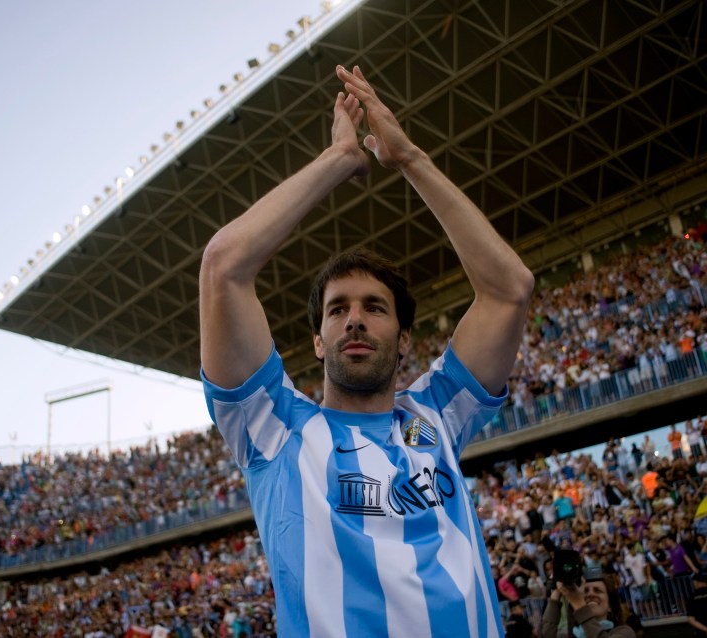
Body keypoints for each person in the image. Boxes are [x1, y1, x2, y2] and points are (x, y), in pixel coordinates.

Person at [199, 64, 534, 637]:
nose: (354, 319)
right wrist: (339, 160)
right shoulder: (273, 430)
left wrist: (410, 160)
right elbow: (224, 266)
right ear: (317, 339)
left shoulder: (435, 415)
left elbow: (510, 290)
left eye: (374, 308)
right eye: (337, 310)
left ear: (405, 339)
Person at [540, 574, 635, 637]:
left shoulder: (624, 632)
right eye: (585, 591)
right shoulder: (572, 634)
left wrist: (579, 604)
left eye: (597, 590)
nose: (590, 594)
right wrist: (556, 593)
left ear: (610, 606)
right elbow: (546, 635)